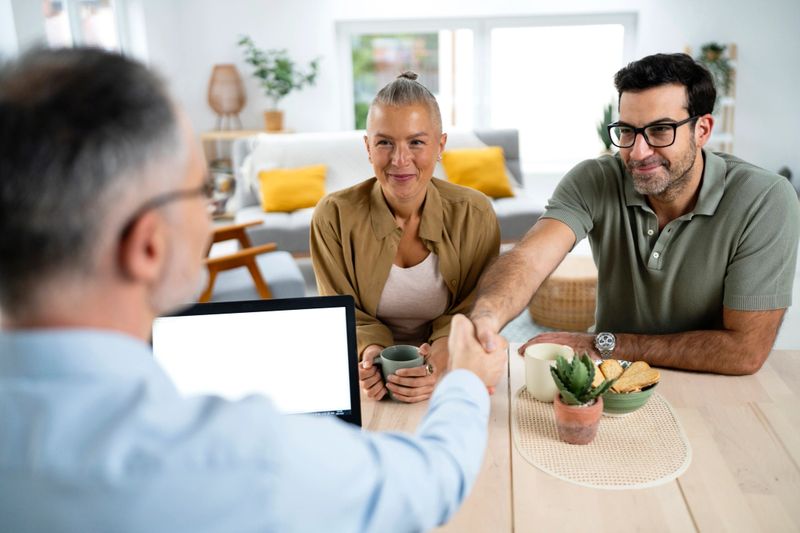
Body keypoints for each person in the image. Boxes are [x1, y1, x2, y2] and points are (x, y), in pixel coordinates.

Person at [0, 48, 508, 532]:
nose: (213, 214)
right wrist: (464, 382)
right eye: (205, 192)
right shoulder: (233, 454)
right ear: (148, 245)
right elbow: (430, 482)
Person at [470, 53, 799, 376]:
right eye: (627, 131)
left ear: (702, 129)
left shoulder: (764, 199)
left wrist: (605, 344)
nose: (638, 152)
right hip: (613, 377)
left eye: (659, 131)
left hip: (711, 384)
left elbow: (744, 351)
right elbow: (529, 258)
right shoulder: (595, 178)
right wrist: (485, 317)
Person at [310, 72, 502, 403]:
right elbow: (341, 312)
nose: (400, 160)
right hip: (367, 374)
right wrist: (373, 355)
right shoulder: (332, 216)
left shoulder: (476, 214)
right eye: (385, 142)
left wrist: (442, 354)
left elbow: (476, 306)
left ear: (440, 145)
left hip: (450, 363)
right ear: (368, 147)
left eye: (416, 142)